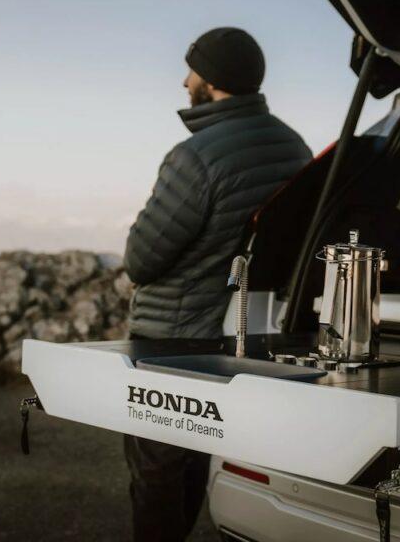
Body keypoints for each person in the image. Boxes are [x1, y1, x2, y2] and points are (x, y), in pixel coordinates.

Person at [122, 27, 313, 542]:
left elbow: (141, 259)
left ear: (212, 80)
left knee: (158, 472)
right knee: (201, 455)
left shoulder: (196, 157)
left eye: (192, 71)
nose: (185, 82)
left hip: (174, 338)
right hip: (244, 335)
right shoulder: (293, 147)